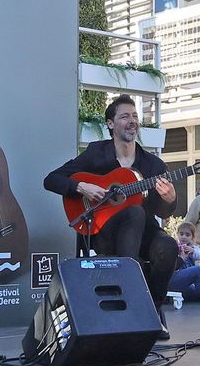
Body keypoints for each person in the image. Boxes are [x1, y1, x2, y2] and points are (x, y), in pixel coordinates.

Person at [45, 94, 179, 340]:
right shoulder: (96, 154)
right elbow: (51, 179)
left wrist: (169, 199)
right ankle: (127, 304)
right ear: (110, 124)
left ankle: (152, 309)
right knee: (135, 213)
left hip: (143, 231)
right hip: (103, 231)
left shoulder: (152, 165)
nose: (132, 121)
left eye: (135, 116)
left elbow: (163, 211)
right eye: (125, 116)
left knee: (168, 246)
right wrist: (82, 187)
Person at [168, 221, 200, 303]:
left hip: (188, 279)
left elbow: (198, 256)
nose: (184, 237)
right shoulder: (175, 246)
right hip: (178, 274)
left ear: (192, 237)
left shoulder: (194, 247)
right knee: (199, 270)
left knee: (195, 290)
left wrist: (192, 251)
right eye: (181, 234)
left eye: (187, 235)